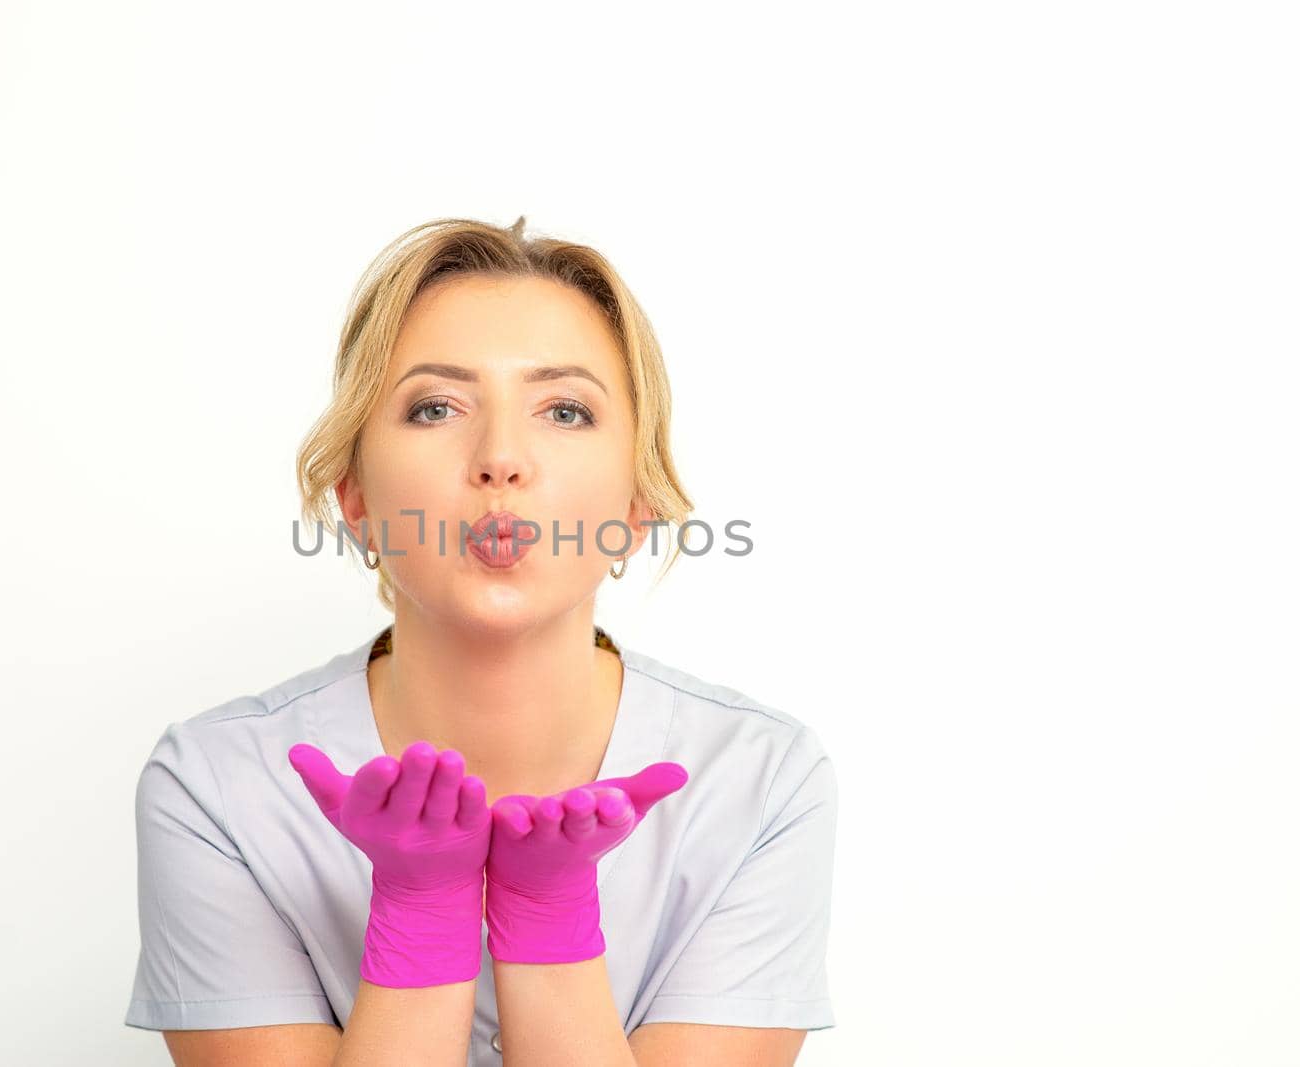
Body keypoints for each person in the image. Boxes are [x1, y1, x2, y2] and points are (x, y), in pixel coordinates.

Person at [123, 216, 839, 1066]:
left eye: (565, 410)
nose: (500, 458)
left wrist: (551, 923)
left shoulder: (761, 782)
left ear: (636, 505)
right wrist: (421, 915)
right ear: (355, 498)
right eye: (435, 407)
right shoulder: (215, 790)